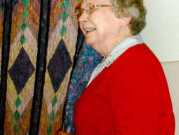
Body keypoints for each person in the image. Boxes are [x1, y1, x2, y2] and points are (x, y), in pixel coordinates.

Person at [59, 0, 175, 134]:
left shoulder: (135, 65)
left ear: (124, 16)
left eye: (91, 8)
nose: (81, 19)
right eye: (80, 11)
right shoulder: (121, 63)